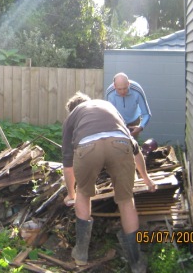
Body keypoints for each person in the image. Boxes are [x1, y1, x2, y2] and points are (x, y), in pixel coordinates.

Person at [61, 91, 156, 272]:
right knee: (127, 201)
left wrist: (71, 194)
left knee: (83, 194)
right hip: (120, 144)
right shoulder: (109, 108)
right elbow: (135, 149)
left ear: (72, 110)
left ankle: (81, 254)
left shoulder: (72, 117)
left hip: (88, 147)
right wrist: (147, 179)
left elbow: (67, 164)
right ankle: (136, 262)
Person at [105, 72, 151, 139]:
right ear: (114, 86)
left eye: (125, 88)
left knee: (133, 146)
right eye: (119, 89)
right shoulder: (110, 93)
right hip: (118, 122)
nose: (122, 91)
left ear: (128, 84)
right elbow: (108, 114)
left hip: (134, 122)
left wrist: (141, 126)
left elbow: (146, 113)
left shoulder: (137, 90)